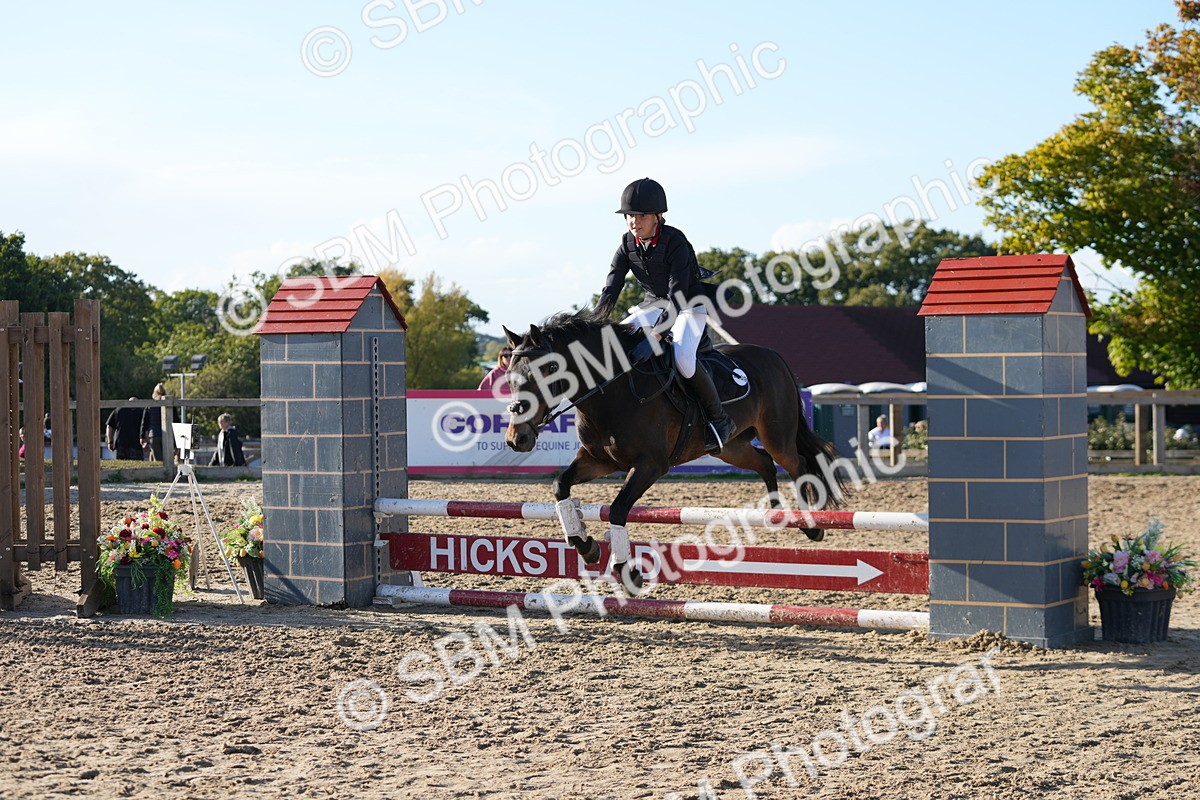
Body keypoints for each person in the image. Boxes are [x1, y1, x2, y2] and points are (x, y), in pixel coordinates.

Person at [594, 177, 735, 454]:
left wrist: (657, 336)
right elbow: (611, 288)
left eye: (642, 215)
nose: (634, 222)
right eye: (630, 217)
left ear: (659, 216)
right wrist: (598, 323)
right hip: (653, 304)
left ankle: (719, 419)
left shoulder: (675, 241)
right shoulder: (627, 244)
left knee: (683, 357)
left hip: (688, 305)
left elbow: (678, 294)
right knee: (614, 342)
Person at [141, 383, 173, 462]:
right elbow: (175, 420)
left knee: (158, 461)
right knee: (168, 460)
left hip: (154, 435)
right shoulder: (169, 404)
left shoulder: (150, 405)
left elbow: (144, 422)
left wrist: (142, 436)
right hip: (168, 435)